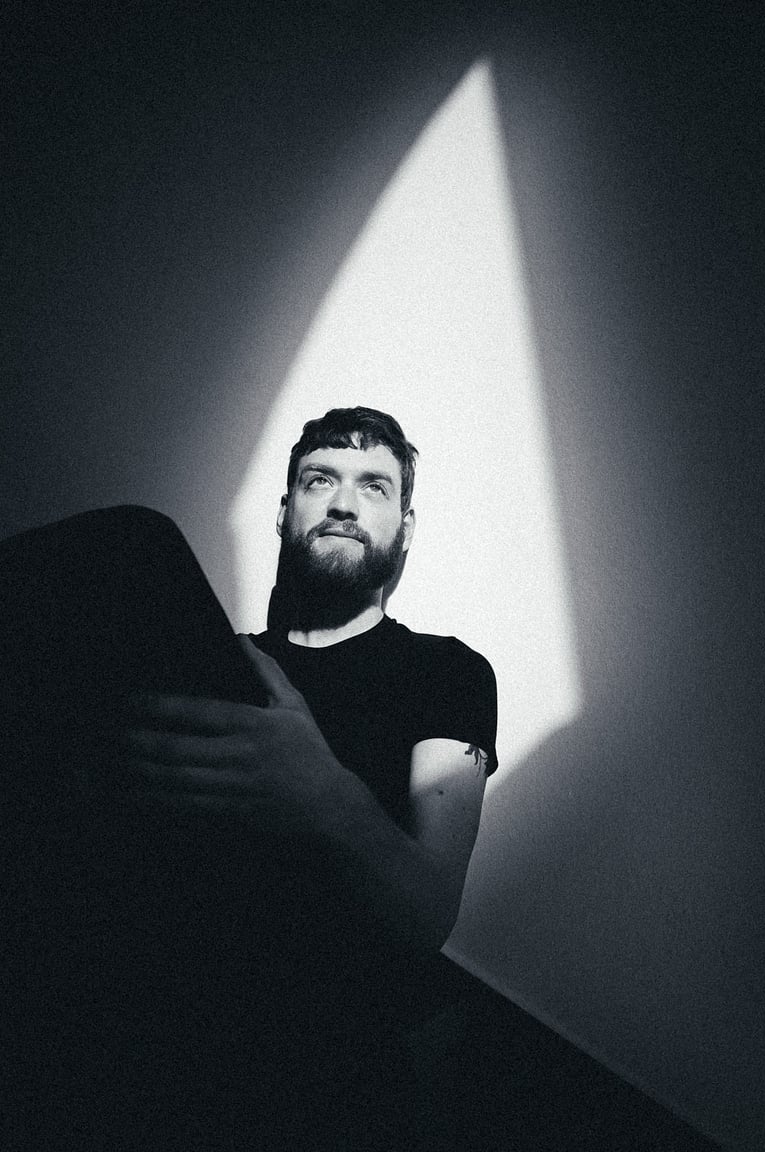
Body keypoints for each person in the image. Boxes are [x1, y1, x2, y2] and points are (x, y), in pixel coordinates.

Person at [124, 406, 498, 1145]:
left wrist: (322, 793)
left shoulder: (447, 672)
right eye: (319, 479)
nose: (342, 502)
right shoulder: (211, 658)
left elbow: (427, 915)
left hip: (332, 1086)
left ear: (407, 528)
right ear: (286, 511)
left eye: (374, 486)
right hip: (157, 1050)